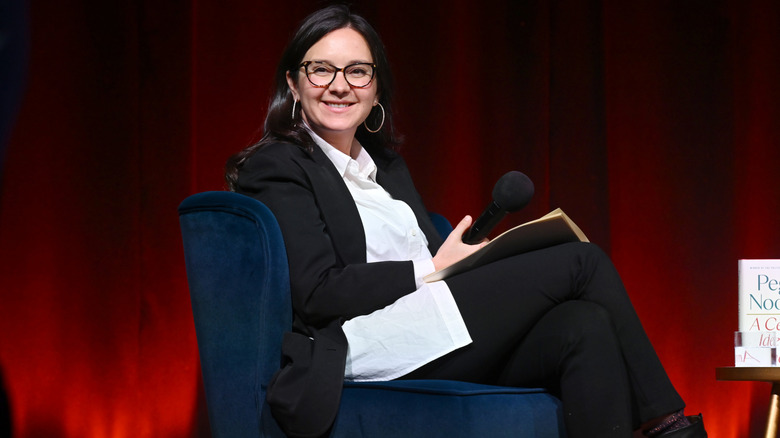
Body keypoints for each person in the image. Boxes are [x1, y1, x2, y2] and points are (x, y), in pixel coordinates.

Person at [226, 5, 707, 438]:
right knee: (580, 262)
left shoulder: (385, 168)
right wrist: (431, 269)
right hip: (363, 343)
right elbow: (317, 292)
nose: (339, 84)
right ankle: (670, 426)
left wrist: (469, 263)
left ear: (376, 89)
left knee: (585, 323)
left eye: (357, 71)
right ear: (292, 82)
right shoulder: (280, 164)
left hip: (430, 328)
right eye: (320, 70)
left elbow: (437, 263)